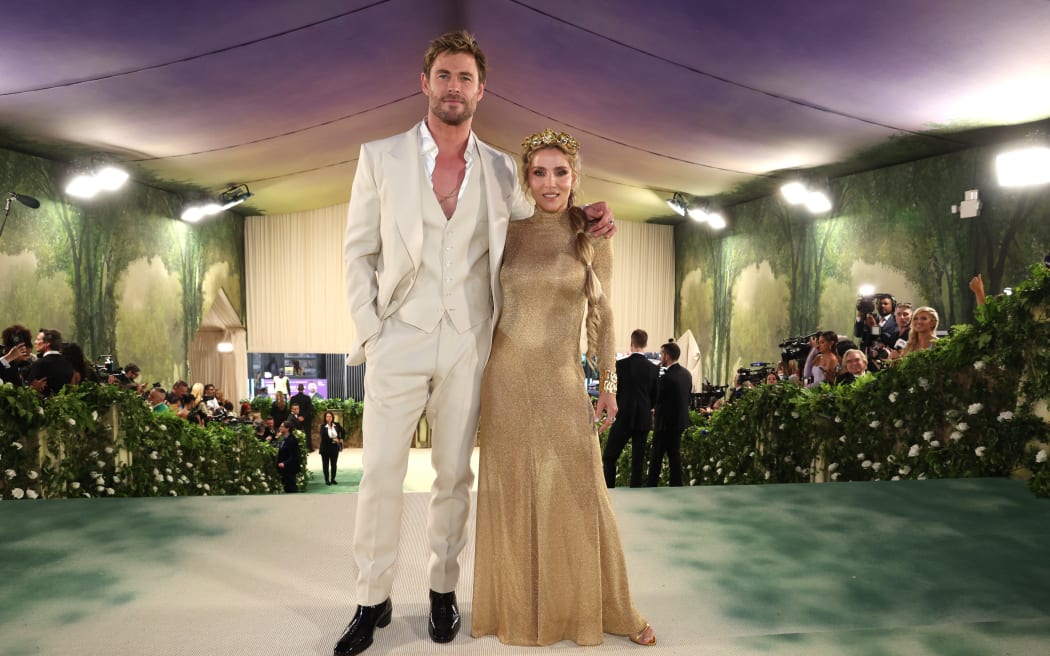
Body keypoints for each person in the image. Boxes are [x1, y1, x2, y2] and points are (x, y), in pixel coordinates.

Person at [336, 31, 616, 656]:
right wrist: (372, 329)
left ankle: (442, 590)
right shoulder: (378, 156)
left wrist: (591, 219)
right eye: (444, 75)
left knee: (454, 475)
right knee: (379, 473)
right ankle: (370, 598)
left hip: (469, 343)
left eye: (466, 78)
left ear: (481, 90)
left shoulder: (498, 169)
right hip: (397, 338)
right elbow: (358, 252)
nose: (454, 87)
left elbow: (546, 210)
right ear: (425, 82)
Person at [471, 128, 653, 647]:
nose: (550, 183)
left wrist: (609, 384)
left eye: (560, 172)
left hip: (561, 380)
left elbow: (606, 314)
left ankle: (611, 608)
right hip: (503, 381)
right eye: (539, 172)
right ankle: (519, 609)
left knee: (581, 492)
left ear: (575, 177)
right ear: (526, 178)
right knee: (513, 493)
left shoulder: (594, 234)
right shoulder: (504, 229)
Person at [602, 329, 659, 488]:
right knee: (638, 461)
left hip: (623, 416)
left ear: (631, 343)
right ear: (645, 344)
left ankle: (610, 490)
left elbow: (611, 392)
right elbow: (655, 396)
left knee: (609, 457)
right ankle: (636, 494)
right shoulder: (653, 369)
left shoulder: (619, 365)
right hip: (643, 419)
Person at [646, 341, 692, 488]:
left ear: (667, 356)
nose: (660, 357)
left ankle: (651, 485)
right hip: (680, 422)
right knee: (674, 456)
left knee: (656, 457)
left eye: (661, 354)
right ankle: (676, 485)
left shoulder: (666, 377)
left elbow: (658, 399)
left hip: (664, 423)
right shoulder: (686, 374)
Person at [25, 329, 74, 398]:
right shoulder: (68, 363)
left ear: (47, 343)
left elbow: (30, 389)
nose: (35, 342)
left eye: (38, 339)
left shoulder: (40, 364)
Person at [318, 410, 346, 485]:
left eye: (330, 416)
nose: (329, 418)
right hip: (325, 448)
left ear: (332, 417)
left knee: (334, 464)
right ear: (325, 417)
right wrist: (334, 439)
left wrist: (341, 438)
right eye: (327, 416)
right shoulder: (322, 426)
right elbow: (324, 437)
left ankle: (333, 479)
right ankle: (327, 480)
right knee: (325, 464)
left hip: (334, 448)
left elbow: (343, 432)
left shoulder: (336, 425)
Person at [276, 419, 301, 493]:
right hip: (284, 469)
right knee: (286, 487)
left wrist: (284, 463)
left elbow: (294, 456)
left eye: (282, 426)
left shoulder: (292, 440)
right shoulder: (283, 438)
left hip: (290, 468)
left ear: (287, 428)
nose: (280, 428)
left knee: (291, 487)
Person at [290, 384, 315, 451]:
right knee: (308, 433)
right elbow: (310, 409)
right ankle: (309, 448)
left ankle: (298, 448)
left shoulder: (293, 398)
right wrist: (303, 416)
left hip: (296, 419)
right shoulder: (307, 398)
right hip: (306, 419)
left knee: (296, 433)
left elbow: (291, 409)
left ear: (298, 389)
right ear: (303, 389)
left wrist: (297, 417)